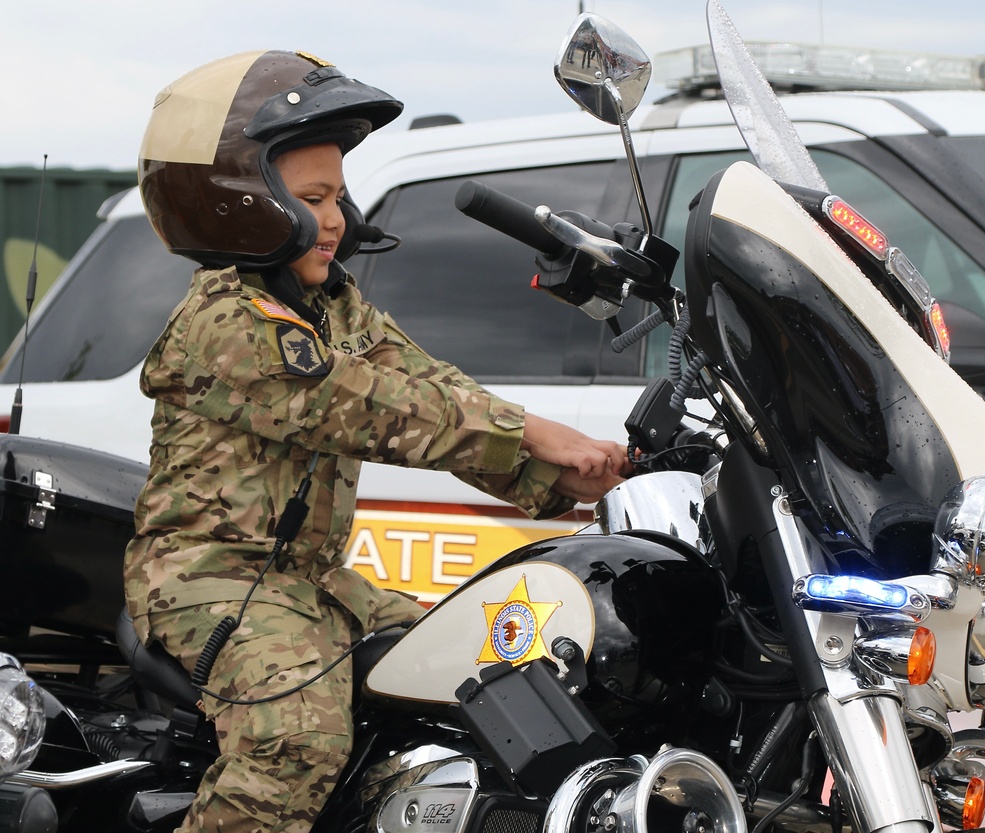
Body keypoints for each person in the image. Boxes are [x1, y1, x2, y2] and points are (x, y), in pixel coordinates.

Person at [124, 49, 628, 833]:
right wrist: (533, 433)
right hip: (209, 580)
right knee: (294, 737)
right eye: (313, 198)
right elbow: (368, 406)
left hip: (320, 579)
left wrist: (577, 478)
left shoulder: (336, 304)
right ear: (239, 204)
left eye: (339, 196)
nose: (335, 218)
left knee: (477, 667)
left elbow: (436, 389)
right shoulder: (221, 323)